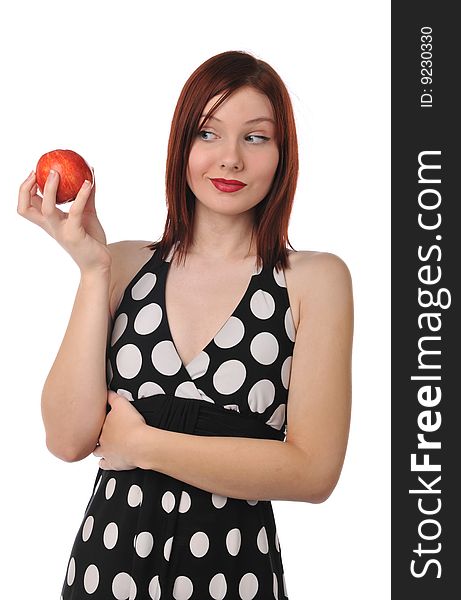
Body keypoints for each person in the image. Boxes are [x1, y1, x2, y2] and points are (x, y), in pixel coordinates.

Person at [17, 50, 353, 600]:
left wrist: (144, 445)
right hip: (107, 573)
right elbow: (67, 439)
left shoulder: (315, 281)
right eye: (208, 133)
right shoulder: (122, 264)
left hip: (234, 581)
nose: (230, 160)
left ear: (282, 153)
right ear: (182, 145)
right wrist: (93, 269)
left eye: (255, 137)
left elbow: (314, 472)